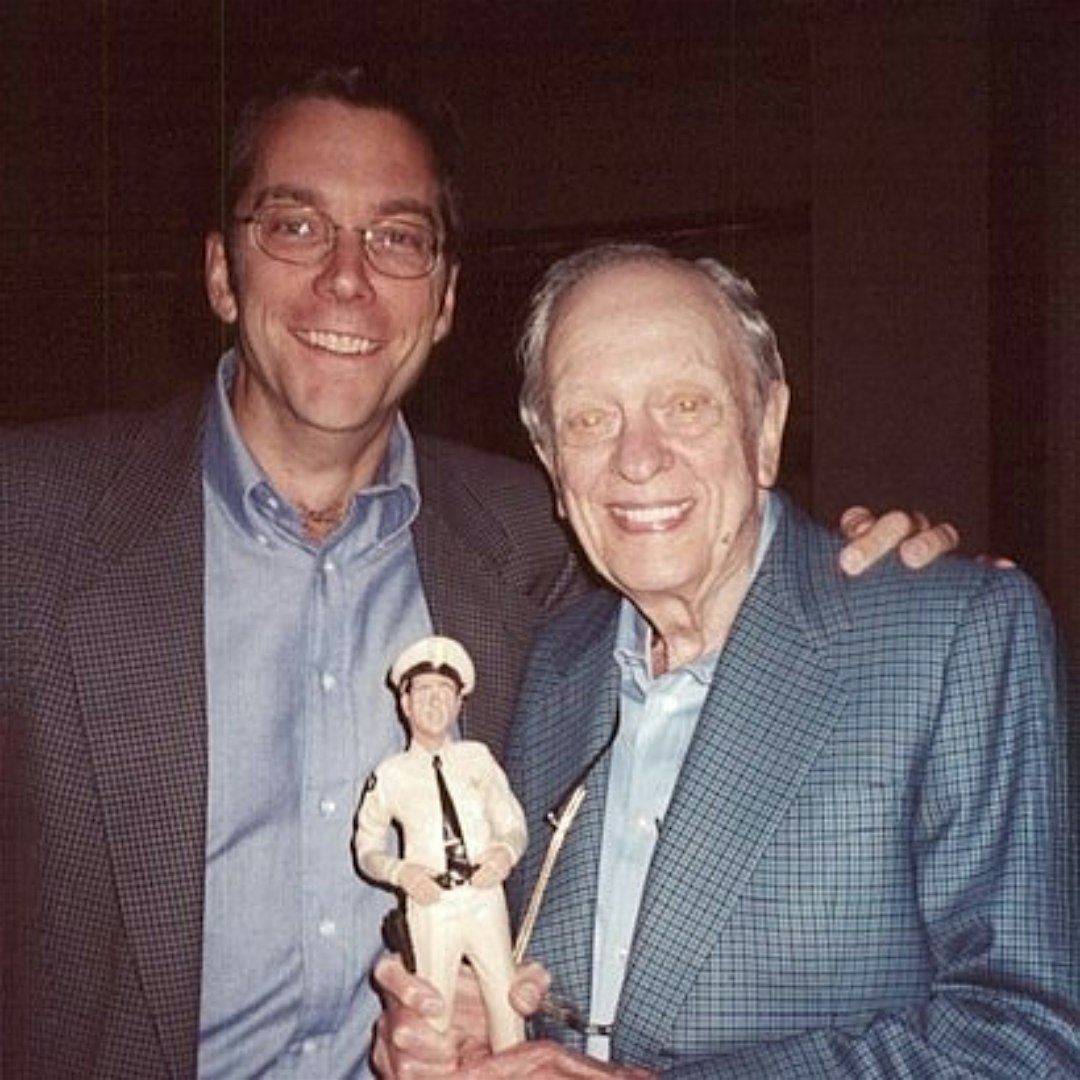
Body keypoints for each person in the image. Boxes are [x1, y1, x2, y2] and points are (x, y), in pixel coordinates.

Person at [0, 64, 958, 1080]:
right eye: (295, 226)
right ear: (222, 273)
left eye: (397, 237)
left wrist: (882, 573)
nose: (346, 277)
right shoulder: (29, 522)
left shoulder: (545, 545)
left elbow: (709, 558)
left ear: (447, 298)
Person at [372, 244, 1079, 1078]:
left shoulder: (953, 637)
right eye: (590, 419)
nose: (638, 458)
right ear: (552, 463)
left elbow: (1028, 1042)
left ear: (766, 428)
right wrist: (477, 1030)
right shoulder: (553, 664)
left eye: (685, 404)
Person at [355, 636, 527, 1052]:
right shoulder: (391, 774)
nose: (435, 703)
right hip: (432, 904)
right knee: (434, 1011)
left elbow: (513, 823)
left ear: (459, 703)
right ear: (405, 703)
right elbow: (367, 848)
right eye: (424, 692)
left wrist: (504, 854)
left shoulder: (478, 759)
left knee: (506, 1000)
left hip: (484, 896)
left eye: (446, 692)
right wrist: (401, 872)